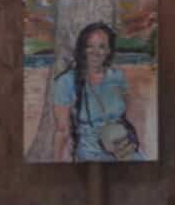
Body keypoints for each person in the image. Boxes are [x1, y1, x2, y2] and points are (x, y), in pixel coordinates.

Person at [52, 21, 143, 162]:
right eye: (89, 46)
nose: (95, 52)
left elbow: (131, 116)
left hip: (123, 148)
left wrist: (135, 143)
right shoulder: (66, 81)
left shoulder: (117, 76)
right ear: (82, 48)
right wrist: (56, 164)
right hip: (91, 153)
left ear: (109, 50)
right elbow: (62, 130)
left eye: (102, 46)